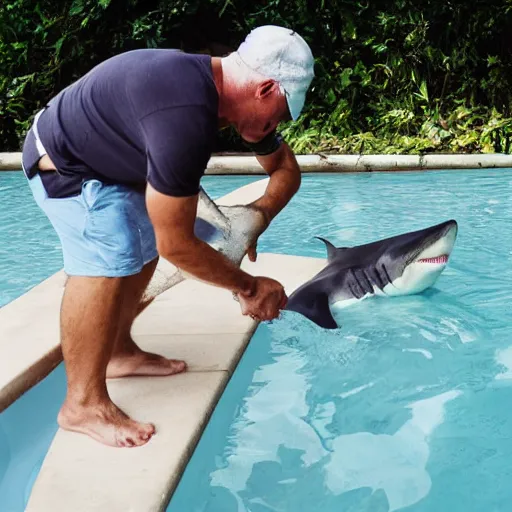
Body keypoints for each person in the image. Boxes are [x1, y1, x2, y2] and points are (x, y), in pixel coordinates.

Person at [21, 25, 315, 448]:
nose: (280, 123)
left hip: (113, 161)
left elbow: (286, 171)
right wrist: (249, 287)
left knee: (142, 248)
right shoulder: (183, 116)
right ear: (266, 88)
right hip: (67, 163)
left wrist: (257, 217)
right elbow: (177, 244)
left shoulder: (231, 95)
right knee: (109, 256)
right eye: (284, 110)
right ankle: (81, 404)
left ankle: (119, 352)